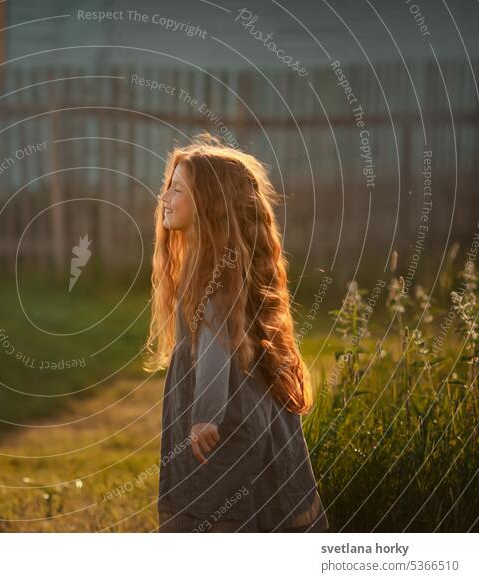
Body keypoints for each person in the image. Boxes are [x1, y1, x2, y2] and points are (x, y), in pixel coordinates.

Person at [143, 134, 329, 533]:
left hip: (226, 412)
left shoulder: (216, 272)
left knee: (216, 509)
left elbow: (213, 341)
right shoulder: (211, 260)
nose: (165, 198)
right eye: (167, 187)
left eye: (178, 189)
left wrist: (206, 414)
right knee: (256, 502)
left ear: (211, 205)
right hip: (245, 402)